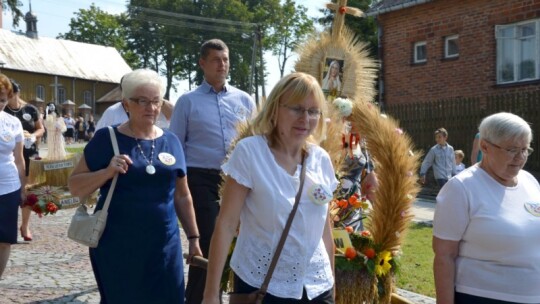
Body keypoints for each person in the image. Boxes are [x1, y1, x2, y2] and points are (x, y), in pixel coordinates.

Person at [68, 69, 202, 303]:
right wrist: (107, 172)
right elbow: (75, 186)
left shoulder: (171, 141)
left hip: (164, 246)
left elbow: (183, 195)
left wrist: (193, 237)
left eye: (155, 101)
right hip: (119, 246)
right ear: (126, 104)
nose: (151, 108)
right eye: (142, 101)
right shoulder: (106, 139)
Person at [202, 72, 337, 304]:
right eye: (296, 108)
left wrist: (332, 284)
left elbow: (324, 230)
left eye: (313, 111)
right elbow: (226, 224)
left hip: (316, 286)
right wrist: (211, 294)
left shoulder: (321, 159)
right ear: (275, 109)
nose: (305, 118)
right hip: (263, 285)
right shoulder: (250, 152)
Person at [170, 38, 256, 304]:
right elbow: (175, 145)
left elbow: (255, 139)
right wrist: (179, 184)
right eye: (216, 60)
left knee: (243, 241)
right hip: (201, 179)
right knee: (209, 242)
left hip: (238, 178)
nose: (223, 65)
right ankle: (199, 299)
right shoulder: (187, 101)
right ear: (202, 63)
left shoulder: (244, 99)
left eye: (226, 59)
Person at [433, 112, 540, 304]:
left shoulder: (529, 181)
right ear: (485, 147)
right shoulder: (461, 188)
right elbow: (444, 256)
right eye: (512, 149)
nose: (521, 157)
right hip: (483, 297)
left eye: (525, 149)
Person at [3, 79, 44, 241]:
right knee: (13, 190)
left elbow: (40, 128)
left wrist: (33, 136)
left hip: (30, 154)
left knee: (28, 190)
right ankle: (9, 222)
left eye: (10, 94)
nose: (7, 98)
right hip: (10, 155)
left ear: (17, 93)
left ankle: (25, 225)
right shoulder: (3, 109)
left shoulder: (30, 109)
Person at [0, 74, 26, 278]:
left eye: (2, 99)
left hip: (9, 186)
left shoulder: (13, 122)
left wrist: (23, 188)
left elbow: (19, 159)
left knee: (4, 239)